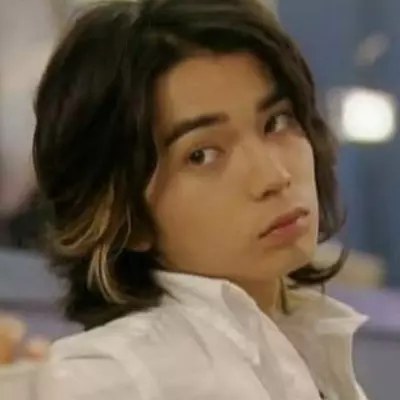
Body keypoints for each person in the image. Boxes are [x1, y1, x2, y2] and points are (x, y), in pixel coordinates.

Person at [33, 0, 368, 399]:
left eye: (276, 122)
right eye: (202, 155)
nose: (273, 176)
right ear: (121, 214)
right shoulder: (117, 374)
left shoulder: (307, 341)